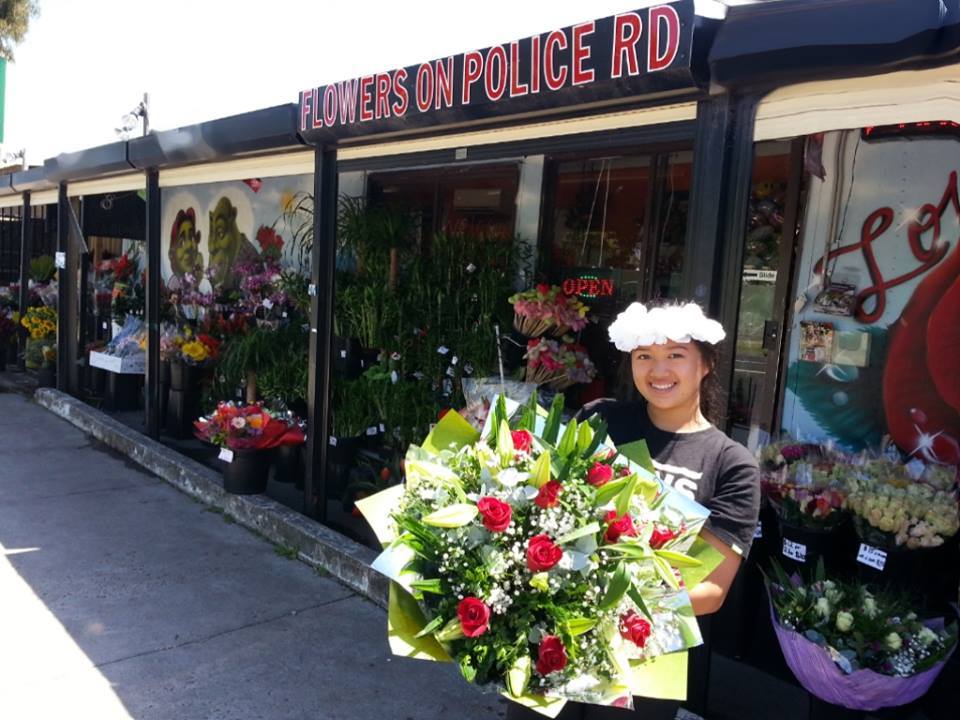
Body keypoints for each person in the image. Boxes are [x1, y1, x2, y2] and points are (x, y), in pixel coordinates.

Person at [507, 300, 760, 720]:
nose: (659, 370)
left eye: (675, 355)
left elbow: (711, 592)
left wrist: (597, 602)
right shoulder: (601, 419)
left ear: (705, 364)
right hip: (554, 639)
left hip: (645, 659)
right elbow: (543, 500)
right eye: (645, 356)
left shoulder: (730, 463)